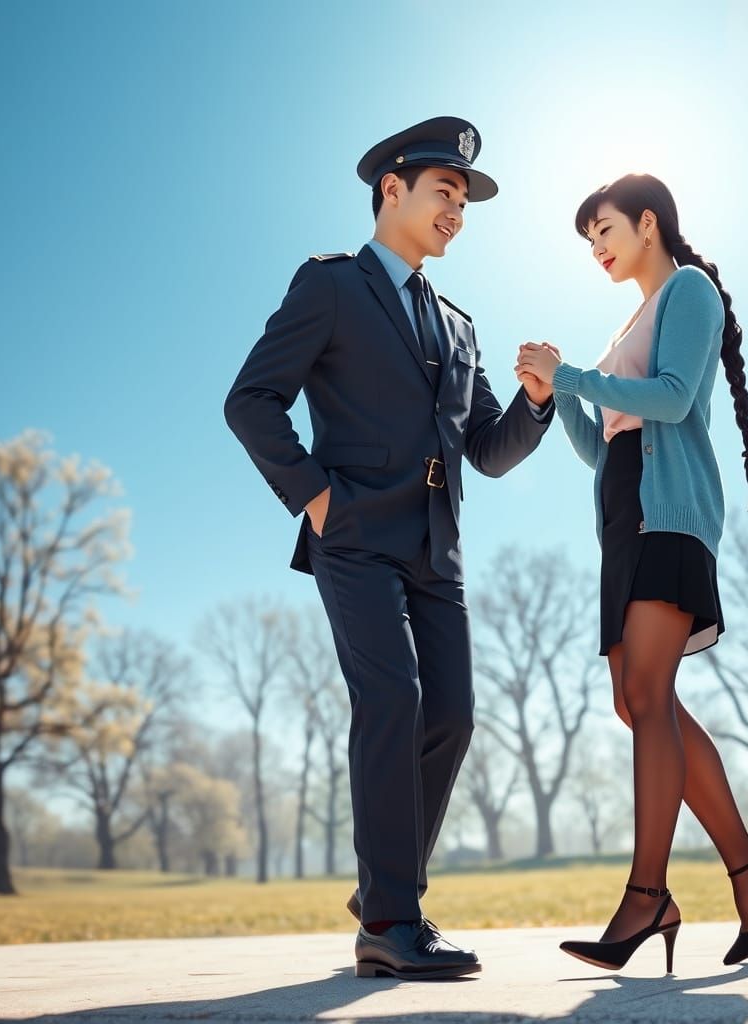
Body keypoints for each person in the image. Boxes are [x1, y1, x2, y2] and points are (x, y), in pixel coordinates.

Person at [225, 116, 555, 980]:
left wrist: (537, 403)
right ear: (392, 190)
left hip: (437, 553)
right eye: (446, 191)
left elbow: (487, 449)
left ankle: (384, 886)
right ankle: (390, 918)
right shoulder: (331, 286)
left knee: (451, 715)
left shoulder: (460, 324)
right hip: (357, 538)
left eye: (465, 199)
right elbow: (251, 401)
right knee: (394, 699)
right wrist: (315, 497)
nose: (458, 210)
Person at [515, 173, 748, 974]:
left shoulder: (689, 292)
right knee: (643, 702)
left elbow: (672, 401)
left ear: (648, 223)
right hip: (622, 518)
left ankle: (648, 895)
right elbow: (601, 443)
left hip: (668, 515)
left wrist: (573, 377)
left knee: (646, 696)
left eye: (603, 229)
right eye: (587, 240)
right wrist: (556, 392)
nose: (597, 248)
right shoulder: (627, 322)